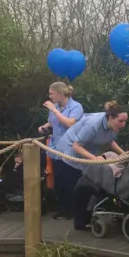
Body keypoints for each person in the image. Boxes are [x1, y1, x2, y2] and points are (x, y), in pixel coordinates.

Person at [56, 101, 128, 230]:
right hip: (73, 152)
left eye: (125, 121)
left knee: (90, 186)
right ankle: (79, 222)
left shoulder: (112, 126)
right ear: (111, 118)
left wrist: (126, 155)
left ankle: (86, 219)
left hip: (89, 152)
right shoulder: (93, 124)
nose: (124, 124)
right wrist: (96, 160)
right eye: (121, 121)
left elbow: (110, 141)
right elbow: (76, 146)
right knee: (80, 188)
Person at [38, 82, 84, 219]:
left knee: (70, 180)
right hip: (55, 148)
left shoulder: (76, 107)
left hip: (70, 149)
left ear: (60, 93)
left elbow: (70, 123)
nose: (50, 96)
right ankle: (62, 208)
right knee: (59, 180)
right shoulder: (55, 107)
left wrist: (54, 110)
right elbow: (53, 122)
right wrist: (43, 127)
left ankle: (73, 210)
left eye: (52, 93)